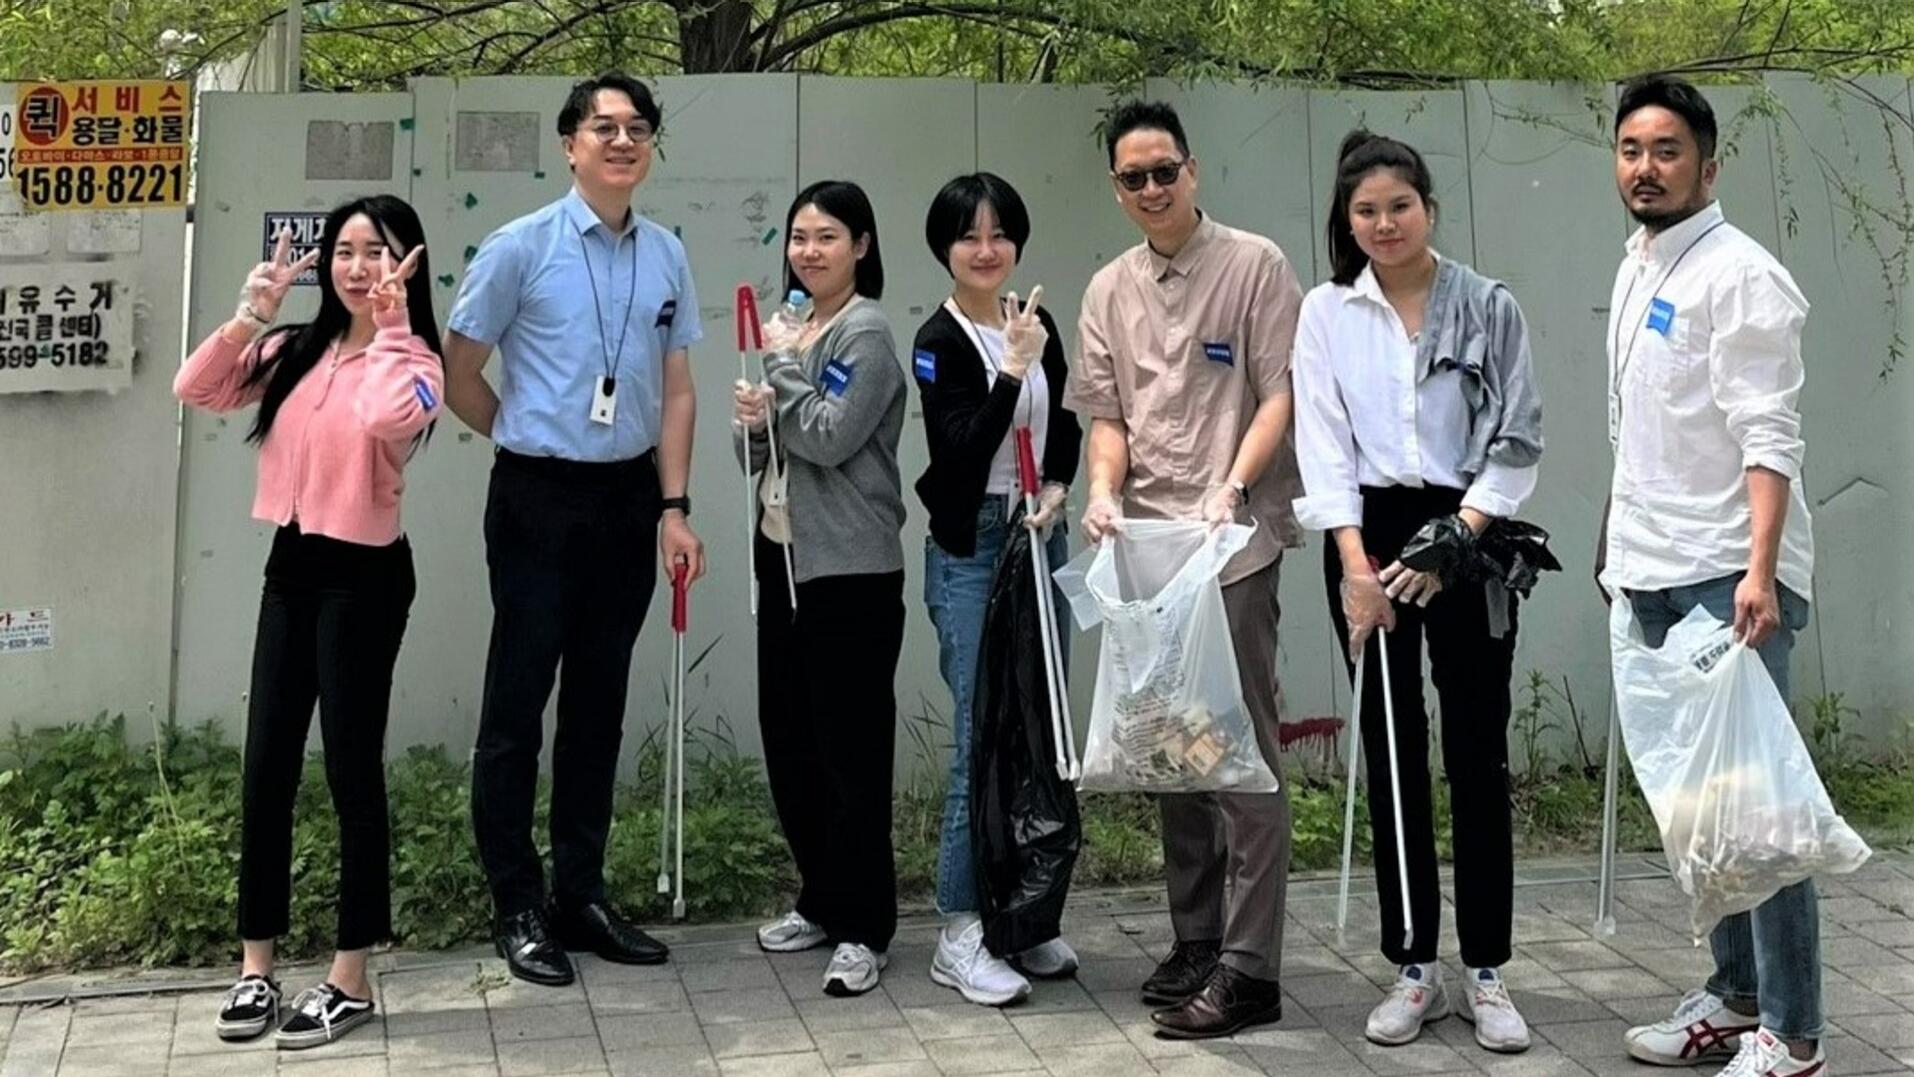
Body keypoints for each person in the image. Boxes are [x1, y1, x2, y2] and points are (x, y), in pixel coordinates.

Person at [442, 72, 704, 986]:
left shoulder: (667, 253)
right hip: (538, 500)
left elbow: (676, 390)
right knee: (517, 707)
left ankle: (580, 893)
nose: (622, 140)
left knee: (598, 705)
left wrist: (674, 508)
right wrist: (521, 436)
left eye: (638, 128)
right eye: (604, 127)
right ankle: (516, 902)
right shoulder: (520, 247)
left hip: (630, 498)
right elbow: (460, 370)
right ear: (570, 144)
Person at [1291, 130, 1544, 1054]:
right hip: (1368, 532)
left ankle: (1486, 968)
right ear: (1347, 222)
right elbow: (1321, 442)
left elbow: (1518, 436)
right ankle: (1413, 964)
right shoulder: (1325, 311)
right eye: (1366, 211)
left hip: (1469, 528)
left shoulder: (1487, 304)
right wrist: (1359, 570)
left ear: (1429, 207)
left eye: (1400, 206)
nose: (1384, 224)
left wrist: (1457, 540)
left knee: (1477, 746)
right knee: (1391, 747)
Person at [178, 197, 442, 1050]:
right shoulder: (295, 350)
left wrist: (394, 330)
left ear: (407, 266)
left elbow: (386, 422)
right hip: (291, 568)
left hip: (365, 576)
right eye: (345, 251)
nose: (357, 266)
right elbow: (199, 388)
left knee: (351, 773)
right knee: (266, 768)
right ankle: (256, 966)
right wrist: (252, 312)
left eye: (378, 252)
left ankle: (350, 976)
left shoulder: (417, 362)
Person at [1599, 75, 1824, 1077]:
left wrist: (1762, 574)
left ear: (1708, 163)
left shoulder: (1742, 275)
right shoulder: (1644, 258)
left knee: (1761, 819)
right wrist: (1618, 542)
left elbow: (1769, 435)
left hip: (1729, 576)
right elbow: (1638, 427)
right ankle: (1735, 999)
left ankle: (1795, 1035)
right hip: (1652, 568)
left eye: (1668, 151)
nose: (1646, 168)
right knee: (1702, 815)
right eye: (1632, 149)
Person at [1065, 100, 1304, 1039]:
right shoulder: (1106, 290)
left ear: (1193, 171)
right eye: (1134, 177)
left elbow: (1280, 389)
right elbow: (1108, 415)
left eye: (1166, 170)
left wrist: (1234, 487)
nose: (1153, 189)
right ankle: (1197, 937)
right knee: (1172, 750)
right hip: (1148, 555)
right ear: (1117, 188)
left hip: (1229, 548)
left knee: (1241, 754)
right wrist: (1101, 490)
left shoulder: (1254, 266)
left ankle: (1252, 968)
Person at [910, 172, 1083, 1006]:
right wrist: (1011, 373)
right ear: (945, 247)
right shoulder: (935, 340)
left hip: (1037, 538)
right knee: (979, 737)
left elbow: (1071, 425)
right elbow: (960, 451)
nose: (986, 249)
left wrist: (1057, 486)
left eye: (1000, 234)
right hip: (973, 546)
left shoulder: (1036, 321)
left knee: (1039, 729)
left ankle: (1024, 917)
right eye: (968, 235)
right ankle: (960, 927)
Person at [734, 180, 908, 998]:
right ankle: (821, 895)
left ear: (862, 246)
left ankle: (865, 926)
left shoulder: (865, 332)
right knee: (792, 738)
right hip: (786, 555)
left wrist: (780, 373)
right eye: (799, 237)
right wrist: (752, 421)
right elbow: (773, 452)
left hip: (851, 570)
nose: (808, 250)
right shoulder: (800, 334)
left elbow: (833, 440)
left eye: (828, 236)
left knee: (851, 749)